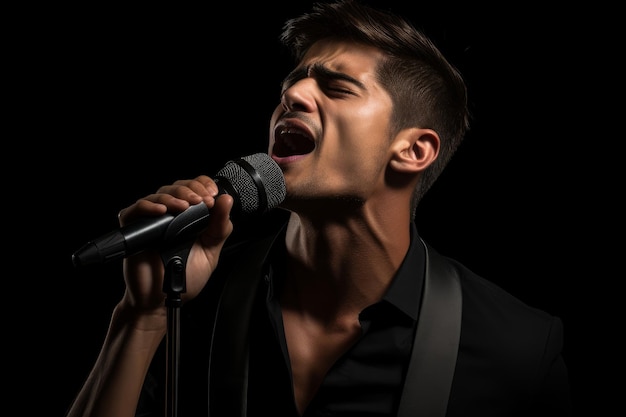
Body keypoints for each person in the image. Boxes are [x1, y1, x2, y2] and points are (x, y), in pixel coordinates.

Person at [66, 0, 572, 416]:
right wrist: (143, 316)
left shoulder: (518, 348)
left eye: (337, 87)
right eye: (292, 84)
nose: (294, 94)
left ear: (414, 150)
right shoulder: (191, 298)